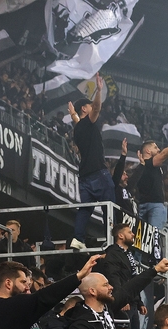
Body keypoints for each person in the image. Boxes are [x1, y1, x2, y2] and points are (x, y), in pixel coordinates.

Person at [67, 74, 114, 249]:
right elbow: (97, 108)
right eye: (88, 106)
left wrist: (73, 114)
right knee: (109, 207)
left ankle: (78, 239)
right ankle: (112, 241)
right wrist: (99, 91)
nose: (91, 107)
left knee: (85, 209)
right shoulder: (87, 122)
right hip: (98, 173)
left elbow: (78, 120)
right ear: (84, 110)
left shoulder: (78, 128)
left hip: (84, 176)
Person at [133, 128, 168, 230]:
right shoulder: (147, 164)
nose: (158, 150)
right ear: (148, 151)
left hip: (147, 205)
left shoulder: (142, 167)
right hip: (150, 205)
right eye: (155, 147)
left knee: (147, 240)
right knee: (149, 238)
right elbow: (164, 154)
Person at [96, 221, 147, 323]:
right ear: (120, 236)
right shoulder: (112, 253)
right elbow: (113, 277)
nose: (133, 234)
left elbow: (133, 279)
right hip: (123, 304)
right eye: (129, 232)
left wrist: (139, 302)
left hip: (131, 303)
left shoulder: (128, 254)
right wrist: (120, 300)